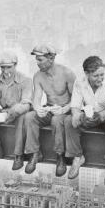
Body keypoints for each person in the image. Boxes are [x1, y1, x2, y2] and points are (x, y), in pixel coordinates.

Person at [24, 44, 75, 176]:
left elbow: (76, 99)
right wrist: (38, 108)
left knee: (57, 121)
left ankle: (60, 157)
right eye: (36, 59)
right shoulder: (38, 76)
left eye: (40, 60)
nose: (37, 63)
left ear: (51, 59)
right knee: (30, 117)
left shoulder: (67, 73)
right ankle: (35, 153)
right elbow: (36, 98)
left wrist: (64, 109)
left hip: (66, 110)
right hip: (50, 108)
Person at [65, 56, 105, 182]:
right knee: (69, 121)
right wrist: (77, 116)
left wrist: (101, 116)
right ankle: (77, 157)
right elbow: (76, 106)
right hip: (88, 115)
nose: (100, 79)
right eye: (96, 76)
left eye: (102, 75)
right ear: (87, 73)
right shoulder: (79, 82)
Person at [0, 51, 32, 170]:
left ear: (15, 65)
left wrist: (13, 112)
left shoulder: (25, 80)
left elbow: (26, 104)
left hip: (19, 111)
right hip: (5, 112)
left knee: (22, 118)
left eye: (9, 67)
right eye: (3, 67)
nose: (5, 70)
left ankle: (18, 155)